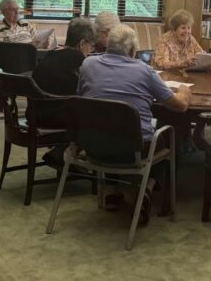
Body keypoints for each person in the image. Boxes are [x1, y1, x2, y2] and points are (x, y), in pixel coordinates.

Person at [77, 24, 191, 223]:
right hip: (134, 150)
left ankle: (112, 191)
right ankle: (144, 191)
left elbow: (81, 97)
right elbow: (179, 106)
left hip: (91, 145)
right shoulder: (144, 70)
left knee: (106, 123)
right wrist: (184, 91)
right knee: (167, 135)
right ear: (132, 50)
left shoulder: (87, 64)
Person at [32, 18, 97, 167]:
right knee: (100, 115)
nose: (91, 51)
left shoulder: (51, 54)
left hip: (37, 114)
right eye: (91, 46)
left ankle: (62, 152)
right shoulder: (78, 59)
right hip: (58, 118)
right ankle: (68, 154)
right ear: (82, 43)